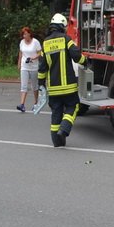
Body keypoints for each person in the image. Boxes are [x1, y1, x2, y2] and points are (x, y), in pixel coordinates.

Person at [38, 12, 88, 147]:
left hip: (53, 89)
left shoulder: (45, 44)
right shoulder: (66, 39)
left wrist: (41, 85)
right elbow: (77, 56)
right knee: (73, 106)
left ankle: (57, 142)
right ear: (62, 26)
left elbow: (42, 68)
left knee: (56, 114)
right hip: (69, 86)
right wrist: (86, 61)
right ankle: (64, 129)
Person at [16, 26, 42, 112]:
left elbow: (40, 53)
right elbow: (21, 54)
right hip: (24, 66)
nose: (24, 36)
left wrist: (34, 57)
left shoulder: (35, 42)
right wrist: (19, 64)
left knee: (34, 86)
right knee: (23, 86)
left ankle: (36, 103)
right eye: (23, 34)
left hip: (34, 67)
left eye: (26, 34)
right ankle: (22, 104)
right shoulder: (22, 42)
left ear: (29, 34)